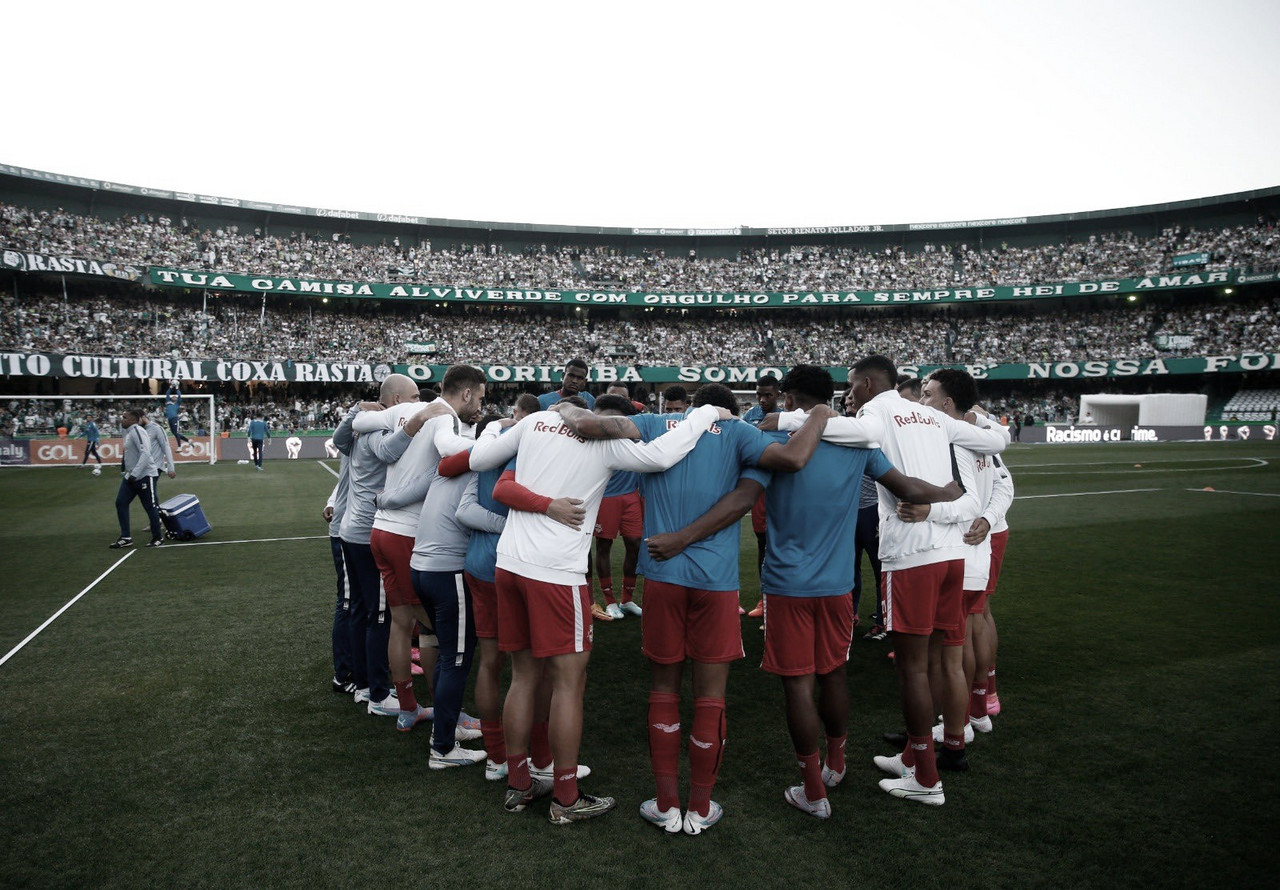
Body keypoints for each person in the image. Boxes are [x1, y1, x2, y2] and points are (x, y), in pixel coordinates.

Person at [648, 367, 959, 820]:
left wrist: (682, 535)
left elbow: (739, 500)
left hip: (786, 584)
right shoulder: (858, 447)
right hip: (838, 584)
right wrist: (948, 492)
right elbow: (907, 487)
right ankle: (837, 760)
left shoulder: (775, 449)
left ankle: (814, 790)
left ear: (790, 399)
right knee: (834, 674)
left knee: (798, 685)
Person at [568, 384, 832, 835]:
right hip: (716, 583)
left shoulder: (653, 424)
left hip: (664, 577)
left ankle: (667, 805)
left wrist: (564, 410)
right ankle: (702, 806)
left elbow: (593, 426)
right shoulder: (737, 434)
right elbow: (791, 461)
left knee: (664, 689)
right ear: (730, 412)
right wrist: (822, 412)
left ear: (688, 408)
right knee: (711, 696)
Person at [466, 396, 731, 824]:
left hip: (509, 563)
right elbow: (662, 456)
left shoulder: (536, 420)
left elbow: (481, 460)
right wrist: (704, 414)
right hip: (556, 573)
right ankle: (566, 798)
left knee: (523, 675)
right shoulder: (604, 444)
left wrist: (502, 430)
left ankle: (519, 783)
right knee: (569, 682)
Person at [769, 355, 1008, 807]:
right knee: (942, 660)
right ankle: (916, 759)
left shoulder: (875, 411)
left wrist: (783, 418)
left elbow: (853, 434)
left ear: (865, 382)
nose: (850, 395)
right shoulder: (937, 416)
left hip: (911, 555)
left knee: (913, 669)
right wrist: (980, 424)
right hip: (953, 555)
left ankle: (927, 778)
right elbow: (997, 444)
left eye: (852, 387)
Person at [352, 370, 484, 733]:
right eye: (482, 398)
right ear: (468, 394)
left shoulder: (403, 411)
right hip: (408, 532)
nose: (481, 406)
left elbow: (360, 419)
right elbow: (446, 455)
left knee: (400, 624)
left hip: (381, 529)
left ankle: (409, 708)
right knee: (432, 632)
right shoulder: (444, 417)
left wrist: (360, 408)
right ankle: (448, 717)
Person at [331, 398, 419, 717]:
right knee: (379, 616)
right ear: (396, 402)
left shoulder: (355, 432)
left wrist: (354, 410)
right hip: (368, 531)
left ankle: (365, 684)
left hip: (350, 529)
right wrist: (414, 423)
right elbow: (389, 452)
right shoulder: (376, 432)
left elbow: (340, 438)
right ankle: (379, 694)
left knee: (361, 611)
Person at [593, 388, 646, 621]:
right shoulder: (598, 424)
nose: (621, 398)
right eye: (615, 394)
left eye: (624, 395)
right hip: (607, 496)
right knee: (604, 547)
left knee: (635, 544)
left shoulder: (636, 419)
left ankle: (627, 599)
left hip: (631, 494)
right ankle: (610, 601)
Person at [742, 375, 780, 618]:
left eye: (768, 395)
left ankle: (781, 597)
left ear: (779, 394)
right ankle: (764, 598)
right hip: (760, 491)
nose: (763, 399)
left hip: (784, 489)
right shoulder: (750, 417)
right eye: (759, 395)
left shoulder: (790, 416)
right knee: (763, 543)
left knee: (782, 544)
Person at [323, 455, 357, 695]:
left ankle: (362, 664)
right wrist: (332, 502)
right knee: (347, 601)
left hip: (360, 531)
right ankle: (343, 674)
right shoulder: (356, 435)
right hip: (347, 531)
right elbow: (346, 480)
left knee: (360, 603)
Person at [110, 408, 163, 549]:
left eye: (125, 417)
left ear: (133, 420)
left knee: (150, 507)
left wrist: (135, 473)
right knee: (120, 503)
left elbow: (146, 453)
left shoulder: (138, 431)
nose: (122, 419)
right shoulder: (129, 433)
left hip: (145, 475)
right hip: (132, 476)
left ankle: (157, 537)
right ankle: (126, 537)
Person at [164, 382, 190, 447]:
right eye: (173, 396)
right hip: (169, 419)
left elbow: (179, 396)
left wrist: (177, 388)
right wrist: (171, 387)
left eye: (175, 396)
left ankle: (179, 447)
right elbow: (167, 393)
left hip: (174, 418)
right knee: (174, 433)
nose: (174, 396)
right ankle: (188, 441)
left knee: (176, 433)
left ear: (176, 399)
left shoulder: (177, 404)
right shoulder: (168, 401)